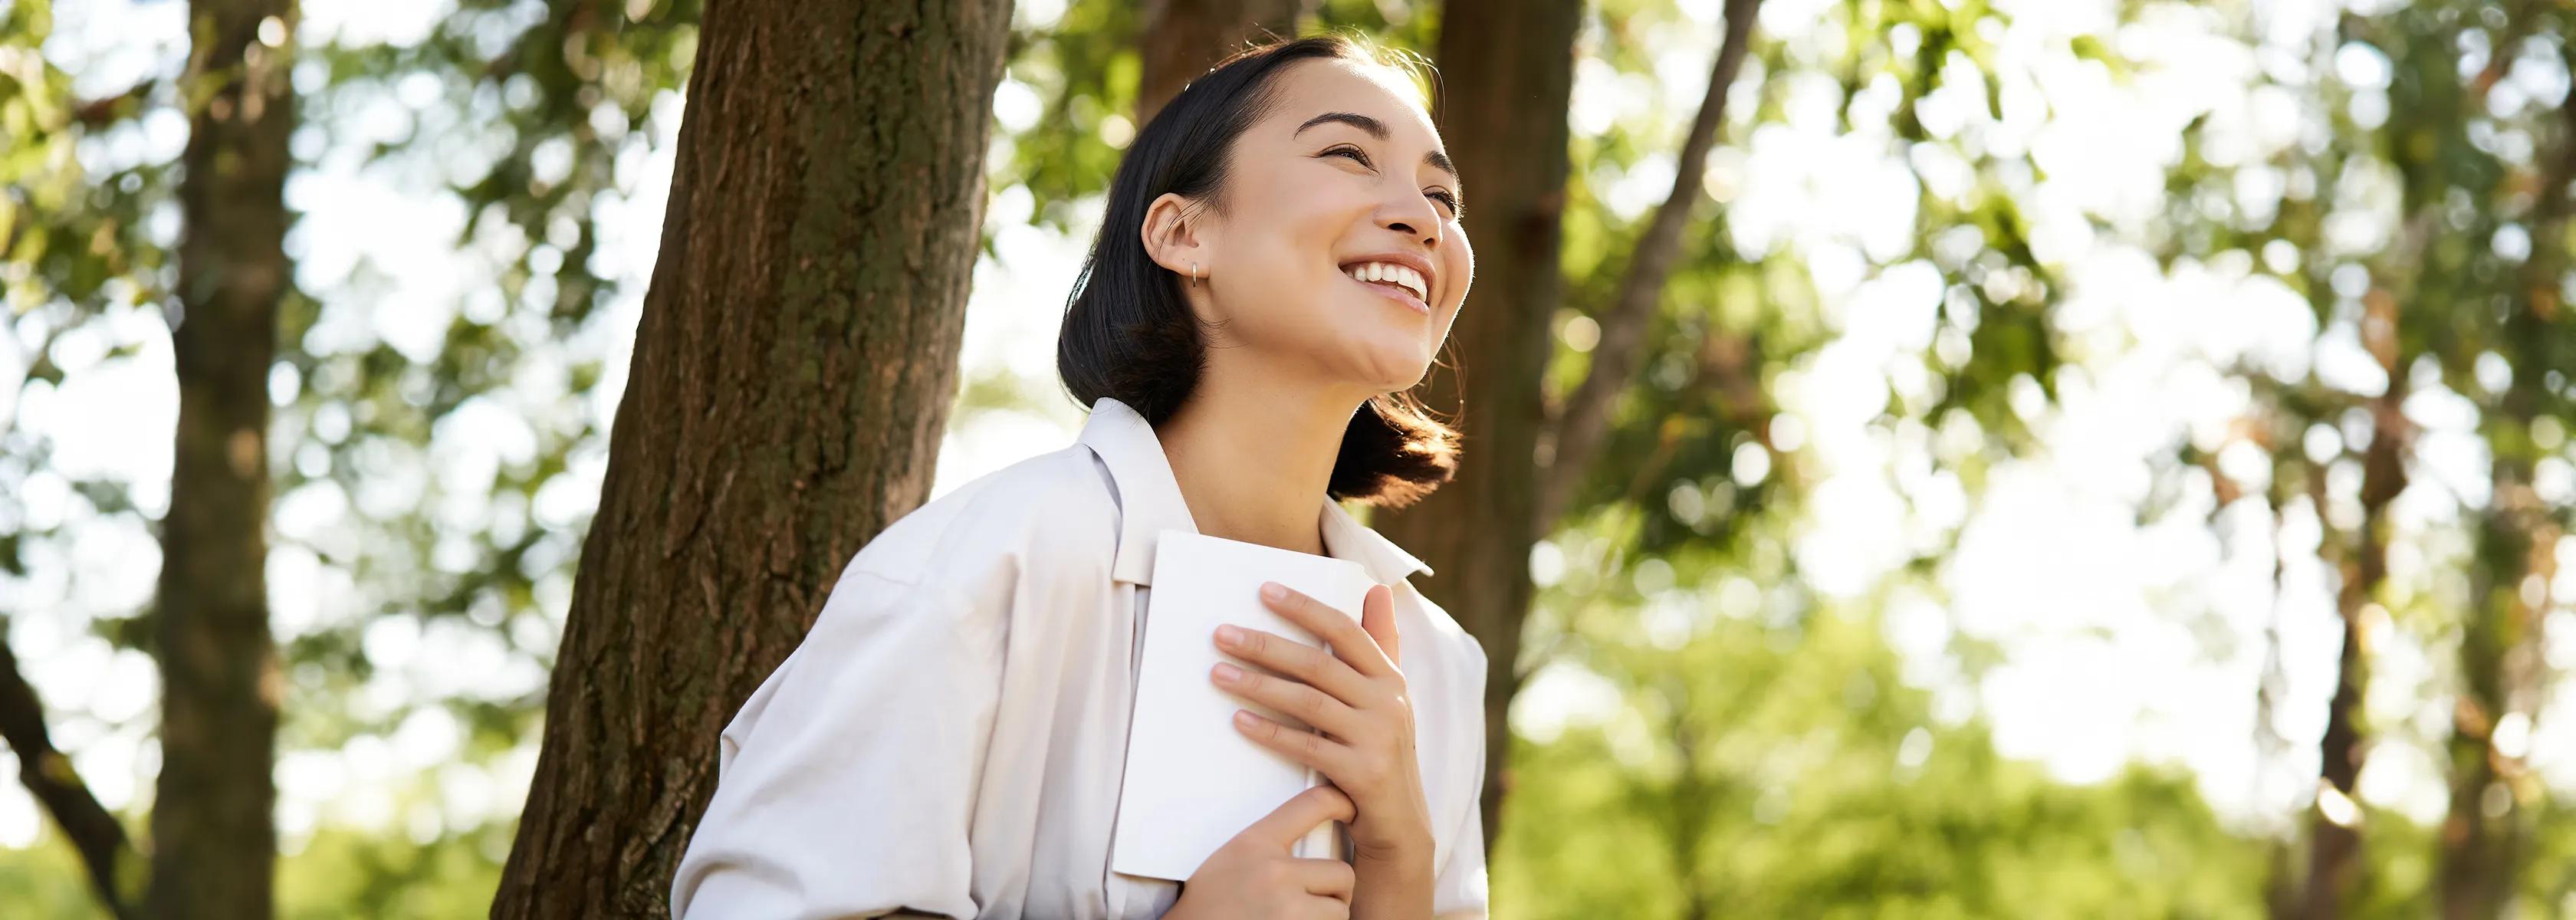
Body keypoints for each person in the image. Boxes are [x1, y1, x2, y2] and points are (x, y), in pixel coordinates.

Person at [671, 34, 1486, 920]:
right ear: (1184, 234)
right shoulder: (986, 568)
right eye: (1347, 153)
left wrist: (1401, 861)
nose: (1422, 215)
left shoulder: (1434, 663)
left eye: (1443, 195)